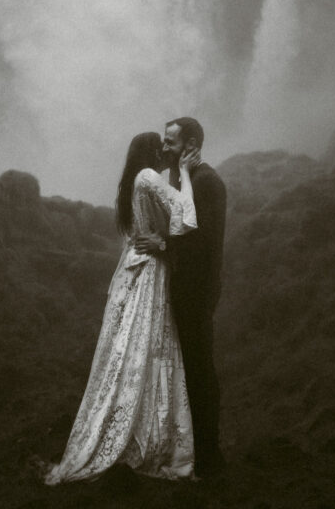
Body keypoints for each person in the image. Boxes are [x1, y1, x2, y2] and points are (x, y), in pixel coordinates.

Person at [44, 131, 199, 485]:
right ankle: (146, 435)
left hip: (141, 268)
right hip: (150, 272)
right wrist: (187, 176)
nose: (164, 150)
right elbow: (186, 217)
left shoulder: (136, 181)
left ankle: (134, 428)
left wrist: (161, 238)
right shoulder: (147, 177)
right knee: (148, 347)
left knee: (137, 348)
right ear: (149, 152)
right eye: (159, 145)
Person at [135, 116, 227, 478]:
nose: (164, 147)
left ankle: (210, 457)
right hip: (187, 288)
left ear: (190, 145)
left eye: (171, 142)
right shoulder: (191, 180)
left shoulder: (208, 182)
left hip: (196, 291)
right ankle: (198, 451)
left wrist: (161, 244)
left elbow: (200, 243)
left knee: (200, 371)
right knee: (191, 370)